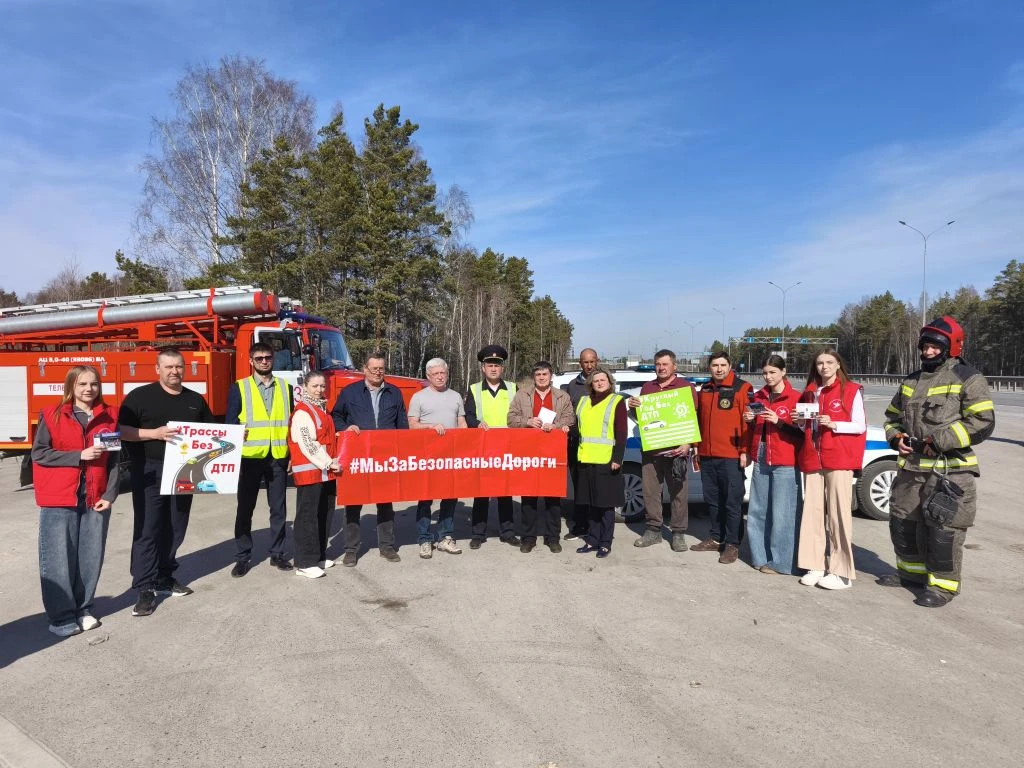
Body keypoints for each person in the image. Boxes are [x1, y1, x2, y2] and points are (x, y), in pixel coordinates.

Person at [881, 317, 995, 607]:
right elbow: (891, 417)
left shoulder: (968, 378)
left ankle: (942, 586)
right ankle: (911, 575)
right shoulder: (911, 380)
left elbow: (982, 421)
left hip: (950, 470)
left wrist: (939, 441)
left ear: (951, 347)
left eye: (935, 347)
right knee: (903, 524)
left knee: (944, 531)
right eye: (925, 346)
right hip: (911, 468)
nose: (928, 351)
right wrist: (896, 438)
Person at [119, 348, 214, 617]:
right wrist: (154, 433)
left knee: (176, 526)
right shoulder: (140, 397)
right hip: (150, 469)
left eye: (179, 367)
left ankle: (164, 576)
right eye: (169, 367)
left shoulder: (195, 400)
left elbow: (210, 434)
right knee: (149, 528)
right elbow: (121, 431)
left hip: (184, 471)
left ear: (185, 369)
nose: (175, 372)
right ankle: (144, 588)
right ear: (157, 369)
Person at [33, 366, 119, 636]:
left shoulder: (109, 416)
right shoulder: (53, 414)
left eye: (94, 384)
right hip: (59, 497)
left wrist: (110, 494)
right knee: (58, 558)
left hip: (95, 498)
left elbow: (115, 459)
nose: (88, 389)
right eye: (82, 384)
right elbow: (40, 453)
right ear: (71, 386)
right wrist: (78, 455)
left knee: (90, 557)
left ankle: (83, 608)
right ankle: (60, 617)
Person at [794, 348, 866, 590]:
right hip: (813, 458)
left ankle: (841, 571)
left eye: (828, 362)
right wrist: (800, 420)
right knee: (812, 514)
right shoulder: (810, 393)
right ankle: (815, 564)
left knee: (838, 515)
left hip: (838, 459)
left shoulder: (851, 390)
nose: (823, 367)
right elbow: (804, 425)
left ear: (838, 364)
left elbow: (859, 425)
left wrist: (834, 424)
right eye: (819, 363)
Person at [331, 352, 407, 566]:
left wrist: (403, 451)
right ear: (364, 369)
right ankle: (351, 549)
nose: (377, 372)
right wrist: (345, 428)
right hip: (358, 457)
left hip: (386, 456)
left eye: (381, 368)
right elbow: (335, 415)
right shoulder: (350, 392)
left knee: (386, 503)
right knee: (353, 504)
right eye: (373, 368)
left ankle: (387, 546)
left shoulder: (395, 393)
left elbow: (402, 424)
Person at [225, 342, 293, 577]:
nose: (264, 361)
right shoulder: (239, 388)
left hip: (278, 455)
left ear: (273, 359)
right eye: (259, 358)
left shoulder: (286, 388)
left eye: (267, 357)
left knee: (279, 509)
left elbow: (291, 423)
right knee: (245, 509)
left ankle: (278, 554)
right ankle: (243, 557)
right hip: (250, 456)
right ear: (251, 361)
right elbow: (230, 423)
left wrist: (292, 453)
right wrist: (236, 431)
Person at [627, 349, 696, 552]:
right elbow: (642, 418)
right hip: (652, 451)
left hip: (677, 451)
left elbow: (694, 416)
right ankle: (653, 530)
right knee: (651, 492)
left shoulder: (685, 387)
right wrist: (633, 408)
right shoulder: (648, 388)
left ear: (674, 366)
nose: (661, 367)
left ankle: (678, 533)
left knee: (678, 493)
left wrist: (688, 443)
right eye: (658, 364)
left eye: (665, 364)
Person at [742, 355, 803, 575]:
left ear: (783, 372)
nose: (768, 377)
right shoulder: (758, 397)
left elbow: (803, 433)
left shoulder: (797, 397)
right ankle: (759, 557)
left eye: (772, 372)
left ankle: (782, 562)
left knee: (783, 513)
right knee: (758, 510)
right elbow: (750, 429)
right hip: (761, 454)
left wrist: (780, 421)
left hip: (786, 459)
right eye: (765, 373)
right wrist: (749, 419)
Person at [692, 352, 753, 564]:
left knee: (732, 503)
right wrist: (696, 448)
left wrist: (745, 450)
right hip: (707, 455)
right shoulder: (705, 390)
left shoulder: (742, 388)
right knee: (712, 501)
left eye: (723, 365)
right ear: (709, 367)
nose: (719, 369)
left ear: (730, 365)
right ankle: (716, 538)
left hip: (731, 456)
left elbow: (749, 423)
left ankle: (732, 544)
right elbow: (698, 421)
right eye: (715, 365)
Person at [508, 361, 575, 553]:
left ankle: (552, 537)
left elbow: (570, 419)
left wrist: (555, 425)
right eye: (538, 375)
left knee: (552, 498)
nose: (542, 377)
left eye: (545, 374)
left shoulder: (562, 396)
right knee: (528, 497)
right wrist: (527, 421)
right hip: (528, 452)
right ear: (534, 377)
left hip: (553, 452)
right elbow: (510, 418)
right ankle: (528, 538)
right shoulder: (522, 395)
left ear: (551, 376)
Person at [409, 357, 467, 559]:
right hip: (428, 456)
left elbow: (461, 422)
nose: (440, 377)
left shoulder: (456, 396)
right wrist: (430, 427)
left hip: (451, 456)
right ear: (428, 376)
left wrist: (467, 437)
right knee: (425, 498)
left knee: (450, 497)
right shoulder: (418, 397)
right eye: (436, 374)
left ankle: (445, 537)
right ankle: (425, 539)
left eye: (443, 373)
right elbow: (412, 425)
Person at [465, 344, 521, 549]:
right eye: (489, 365)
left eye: (497, 365)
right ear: (483, 368)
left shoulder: (514, 388)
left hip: (507, 449)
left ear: (503, 368)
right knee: (481, 493)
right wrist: (476, 423)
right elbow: (468, 415)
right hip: (483, 449)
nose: (493, 368)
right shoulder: (474, 389)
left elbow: (522, 415)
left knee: (506, 493)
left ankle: (507, 532)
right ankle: (478, 534)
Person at [288, 372, 341, 579]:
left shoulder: (322, 409)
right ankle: (304, 561)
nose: (319, 390)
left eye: (322, 386)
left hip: (325, 472)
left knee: (324, 513)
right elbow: (308, 444)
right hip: (311, 471)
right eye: (315, 386)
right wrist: (329, 462)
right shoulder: (303, 412)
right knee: (307, 516)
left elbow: (325, 437)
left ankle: (318, 555)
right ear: (306, 387)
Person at [573, 367, 626, 558]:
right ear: (591, 384)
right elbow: (576, 429)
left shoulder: (616, 401)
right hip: (586, 459)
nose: (600, 383)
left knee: (605, 506)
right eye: (596, 381)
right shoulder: (583, 401)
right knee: (591, 504)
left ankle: (605, 542)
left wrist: (617, 458)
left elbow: (621, 432)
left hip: (606, 460)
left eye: (603, 380)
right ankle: (592, 539)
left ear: (610, 382)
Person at [561, 347, 599, 539]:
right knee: (579, 486)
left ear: (597, 361)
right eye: (585, 362)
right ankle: (580, 525)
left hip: (599, 446)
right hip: (576, 443)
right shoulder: (572, 385)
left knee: (596, 485)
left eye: (592, 361)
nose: (589, 365)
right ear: (580, 363)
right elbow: (566, 412)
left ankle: (597, 527)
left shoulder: (603, 382)